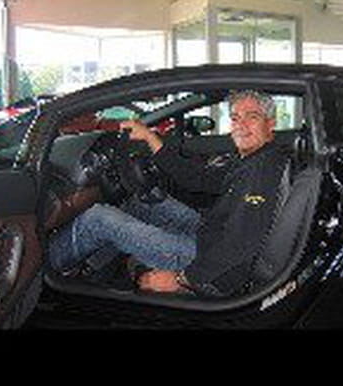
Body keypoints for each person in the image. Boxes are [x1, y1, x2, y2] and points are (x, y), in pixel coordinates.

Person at [48, 90, 290, 297]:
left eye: (252, 117)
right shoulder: (254, 158)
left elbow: (239, 245)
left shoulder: (262, 172)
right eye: (236, 118)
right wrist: (150, 138)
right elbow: (199, 178)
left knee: (98, 219)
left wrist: (182, 279)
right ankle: (93, 266)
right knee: (142, 202)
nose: (241, 126)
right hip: (210, 234)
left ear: (271, 123)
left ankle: (45, 271)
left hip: (209, 261)